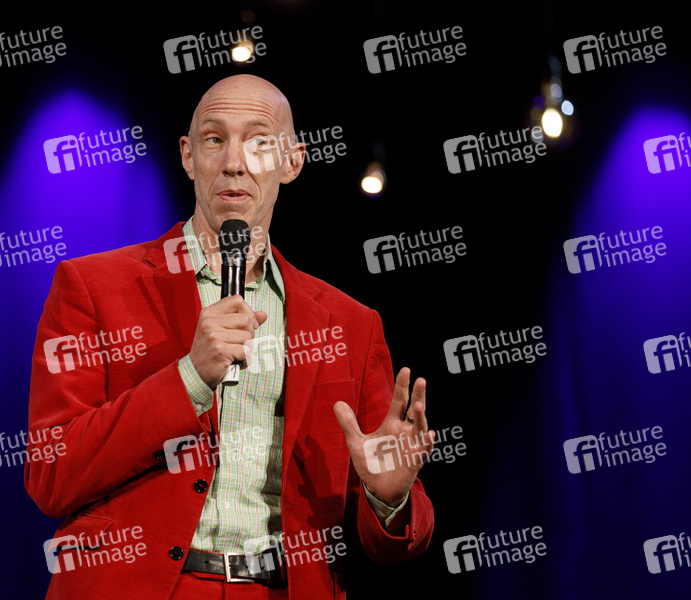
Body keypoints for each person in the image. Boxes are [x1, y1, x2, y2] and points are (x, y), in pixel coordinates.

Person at [25, 74, 435, 599]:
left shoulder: (350, 324)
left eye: (259, 141)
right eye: (214, 139)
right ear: (188, 155)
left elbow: (391, 539)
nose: (234, 162)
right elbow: (51, 474)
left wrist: (388, 499)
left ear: (292, 162)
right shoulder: (93, 287)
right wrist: (189, 377)